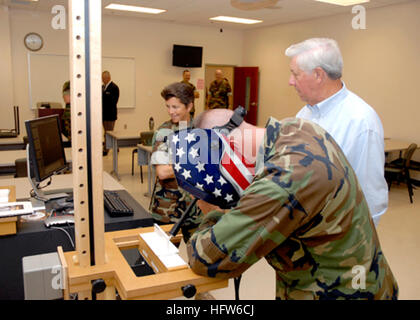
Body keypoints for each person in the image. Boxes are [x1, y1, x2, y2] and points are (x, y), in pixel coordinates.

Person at [173, 108, 398, 300]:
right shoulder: (298, 128)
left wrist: (212, 212)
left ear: (227, 144)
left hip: (339, 292)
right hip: (361, 279)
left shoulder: (282, 182)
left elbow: (207, 258)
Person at [285, 38, 388, 226]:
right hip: (305, 224)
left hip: (340, 233)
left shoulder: (361, 121)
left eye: (295, 74)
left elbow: (371, 194)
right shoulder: (305, 113)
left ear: (318, 74)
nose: (290, 82)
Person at [149, 82, 203, 243]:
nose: (170, 111)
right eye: (168, 106)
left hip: (196, 210)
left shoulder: (203, 130)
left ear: (189, 106)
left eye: (175, 107)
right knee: (161, 259)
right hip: (167, 208)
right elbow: (163, 172)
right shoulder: (163, 132)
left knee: (200, 260)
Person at [102, 71, 120, 156]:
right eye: (102, 78)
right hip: (103, 115)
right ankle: (116, 146)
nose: (102, 80)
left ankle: (106, 149)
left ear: (108, 78)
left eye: (104, 78)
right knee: (108, 132)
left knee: (108, 133)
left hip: (110, 114)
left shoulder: (114, 87)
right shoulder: (103, 87)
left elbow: (113, 102)